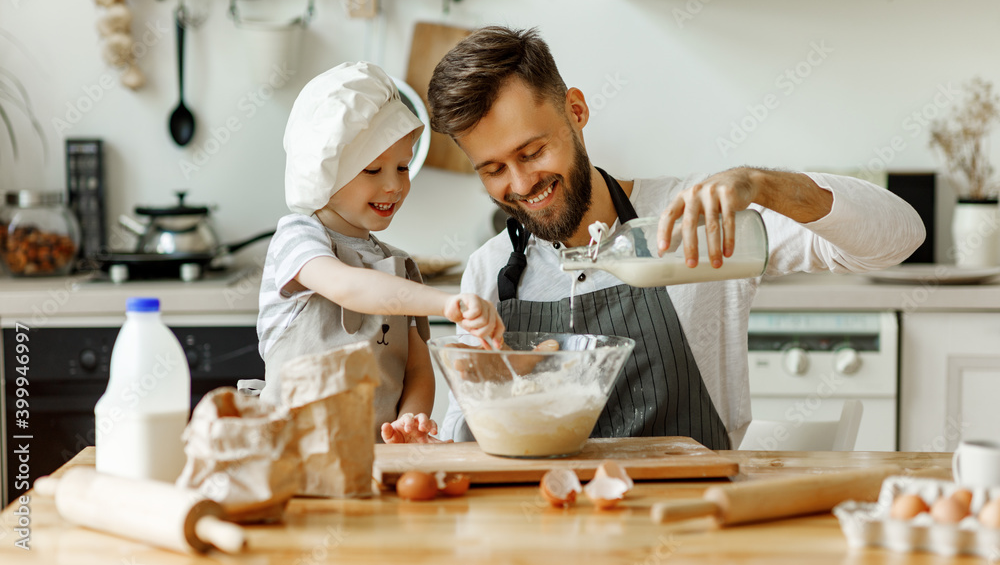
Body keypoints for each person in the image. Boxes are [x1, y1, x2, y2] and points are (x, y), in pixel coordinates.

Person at [426, 27, 925, 449]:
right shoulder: (491, 268)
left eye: (532, 152)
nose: (519, 184)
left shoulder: (696, 220)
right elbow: (465, 430)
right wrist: (433, 447)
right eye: (492, 169)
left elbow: (899, 237)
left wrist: (764, 185)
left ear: (575, 111)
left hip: (691, 524)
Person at [256, 61, 504, 444]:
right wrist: (444, 303)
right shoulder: (298, 238)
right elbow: (348, 287)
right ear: (325, 171)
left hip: (379, 464)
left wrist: (411, 420)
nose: (394, 186)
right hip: (293, 459)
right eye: (373, 170)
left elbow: (418, 372)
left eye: (403, 167)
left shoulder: (400, 266)